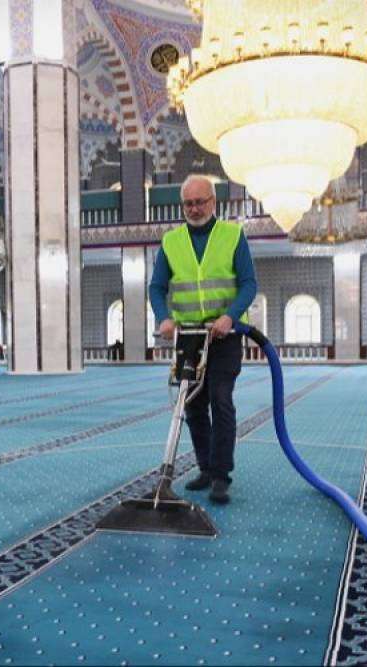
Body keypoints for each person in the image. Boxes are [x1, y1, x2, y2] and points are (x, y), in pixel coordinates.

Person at [149, 174, 258, 504]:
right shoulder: (171, 241)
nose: (194, 209)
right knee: (193, 404)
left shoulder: (232, 235)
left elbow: (248, 284)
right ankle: (206, 468)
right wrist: (164, 318)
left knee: (220, 400)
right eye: (188, 204)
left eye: (200, 202)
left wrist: (230, 316)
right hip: (188, 338)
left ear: (213, 202)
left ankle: (221, 475)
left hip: (224, 336)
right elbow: (157, 287)